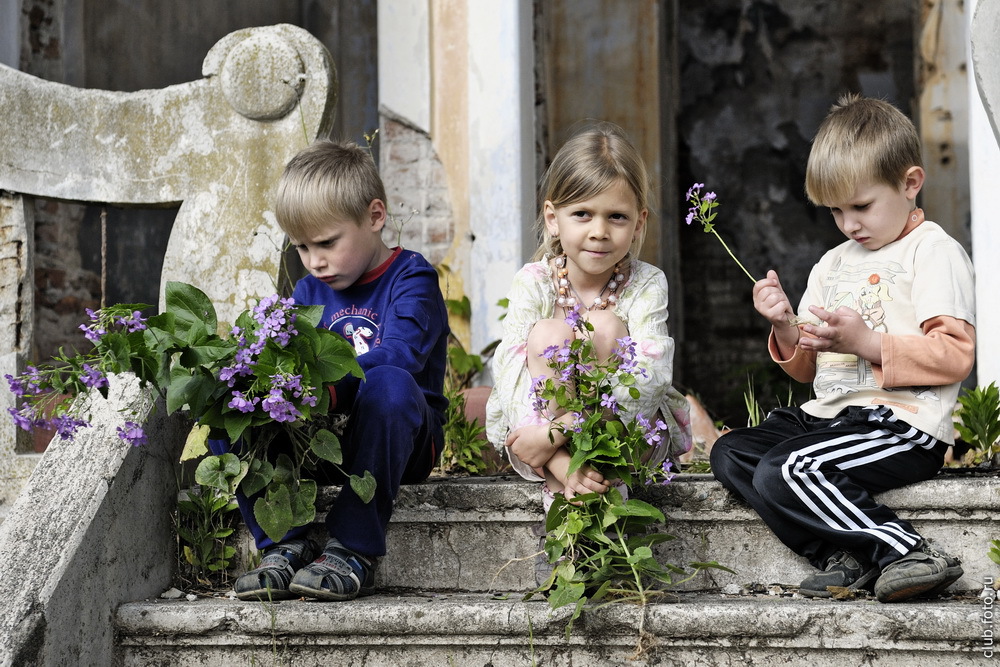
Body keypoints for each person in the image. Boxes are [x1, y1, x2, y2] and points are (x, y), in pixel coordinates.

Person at [709, 94, 976, 603]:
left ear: (910, 183)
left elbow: (955, 353)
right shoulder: (830, 264)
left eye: (861, 206)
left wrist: (867, 343)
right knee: (732, 453)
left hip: (899, 421)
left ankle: (908, 552)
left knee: (789, 468)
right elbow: (807, 369)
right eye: (835, 210)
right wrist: (786, 325)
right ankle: (839, 554)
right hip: (829, 415)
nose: (849, 223)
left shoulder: (934, 252)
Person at [231, 139, 449, 602]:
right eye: (302, 248)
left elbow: (402, 355)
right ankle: (284, 542)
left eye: (328, 243)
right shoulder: (308, 292)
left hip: (401, 439)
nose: (315, 261)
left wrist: (325, 388)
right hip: (320, 442)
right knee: (230, 398)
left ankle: (352, 548)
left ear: (374, 216)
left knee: (388, 383)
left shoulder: (411, 278)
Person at [485, 122, 691, 510]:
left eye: (616, 217)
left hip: (628, 435)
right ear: (552, 218)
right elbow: (510, 370)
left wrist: (560, 430)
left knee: (606, 327)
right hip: (539, 438)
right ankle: (564, 478)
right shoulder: (534, 281)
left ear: (638, 223)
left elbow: (652, 372)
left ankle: (601, 484)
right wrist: (559, 457)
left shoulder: (647, 283)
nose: (599, 231)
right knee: (548, 334)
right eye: (582, 213)